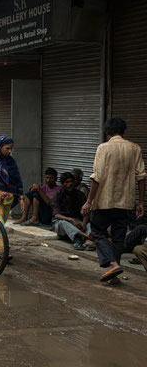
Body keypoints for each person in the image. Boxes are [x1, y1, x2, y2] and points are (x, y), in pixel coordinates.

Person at [81, 117, 146, 284]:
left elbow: (97, 177)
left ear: (106, 132)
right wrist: (140, 202)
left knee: (97, 231)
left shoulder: (103, 148)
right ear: (124, 131)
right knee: (118, 237)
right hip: (125, 203)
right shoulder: (135, 148)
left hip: (104, 201)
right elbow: (141, 178)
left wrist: (89, 201)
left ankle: (113, 264)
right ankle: (114, 276)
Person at [52, 172, 93, 251]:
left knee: (89, 225)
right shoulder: (57, 195)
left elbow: (86, 212)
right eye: (67, 182)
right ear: (62, 184)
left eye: (71, 181)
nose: (70, 184)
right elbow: (56, 215)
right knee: (63, 223)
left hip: (77, 221)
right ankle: (78, 239)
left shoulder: (79, 194)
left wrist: (84, 224)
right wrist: (71, 220)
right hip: (61, 222)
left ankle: (87, 241)